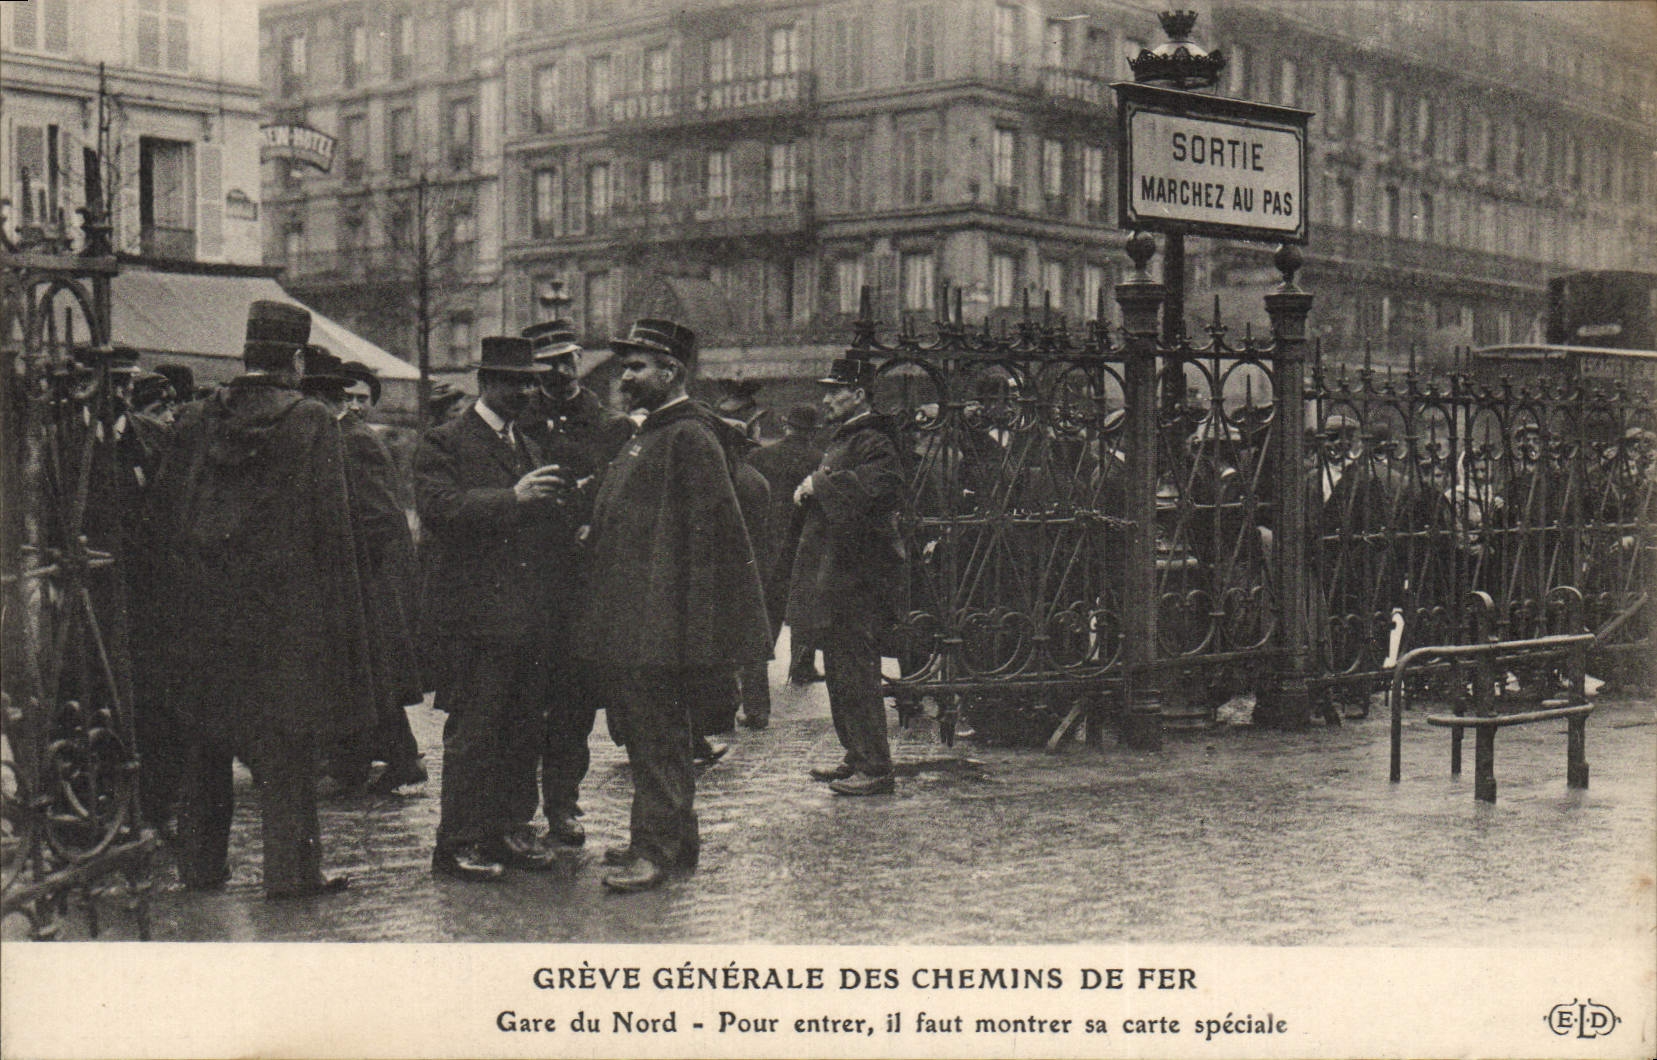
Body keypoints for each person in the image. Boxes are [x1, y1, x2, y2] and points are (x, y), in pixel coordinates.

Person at [145, 301, 374, 900]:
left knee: (204, 743)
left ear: (246, 356)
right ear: (296, 361)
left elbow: (166, 517)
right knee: (286, 749)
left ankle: (199, 867)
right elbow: (333, 535)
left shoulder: (195, 419)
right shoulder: (312, 423)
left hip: (202, 614)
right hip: (283, 618)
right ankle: (291, 874)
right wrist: (343, 629)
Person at [574, 319, 770, 892]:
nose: (627, 375)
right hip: (636, 617)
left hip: (660, 623)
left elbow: (710, 541)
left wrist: (687, 631)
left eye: (637, 366)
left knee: (657, 735)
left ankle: (655, 851)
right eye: (627, 365)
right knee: (648, 733)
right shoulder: (653, 433)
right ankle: (669, 841)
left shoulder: (688, 437)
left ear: (670, 372)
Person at [415, 336, 573, 882]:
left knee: (522, 726)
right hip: (475, 618)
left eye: (532, 381)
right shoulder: (445, 441)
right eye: (517, 382)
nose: (529, 390)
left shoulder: (524, 442)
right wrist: (514, 499)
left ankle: (508, 828)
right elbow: (438, 510)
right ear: (487, 383)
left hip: (526, 617)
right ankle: (456, 841)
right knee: (475, 729)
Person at [517, 318, 635, 846]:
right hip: (526, 583)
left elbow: (618, 490)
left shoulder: (606, 423)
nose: (561, 371)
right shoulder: (519, 421)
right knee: (520, 701)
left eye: (567, 360)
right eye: (548, 363)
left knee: (571, 705)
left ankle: (563, 804)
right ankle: (517, 810)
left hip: (582, 585)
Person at [300, 348, 427, 795]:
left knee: (365, 675)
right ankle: (395, 761)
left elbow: (383, 515)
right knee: (367, 677)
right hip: (351, 579)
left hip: (364, 581)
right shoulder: (334, 435)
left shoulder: (351, 439)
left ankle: (361, 767)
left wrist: (350, 567)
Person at [788, 358, 908, 796]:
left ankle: (876, 767)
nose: (825, 398)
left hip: (858, 578)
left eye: (835, 390)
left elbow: (880, 489)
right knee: (840, 670)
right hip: (838, 575)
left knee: (856, 670)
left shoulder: (874, 439)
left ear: (859, 395)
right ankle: (855, 755)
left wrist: (818, 483)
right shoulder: (849, 439)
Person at [748, 402, 826, 684]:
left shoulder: (760, 456)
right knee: (803, 604)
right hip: (804, 540)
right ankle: (802, 667)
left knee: (767, 607)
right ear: (814, 432)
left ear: (785, 426)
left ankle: (755, 674)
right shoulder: (820, 459)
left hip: (767, 541)